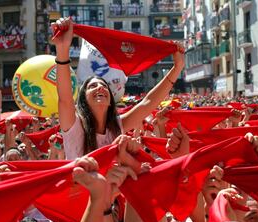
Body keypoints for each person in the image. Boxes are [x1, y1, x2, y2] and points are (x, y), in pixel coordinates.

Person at [52, 17, 184, 160]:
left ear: (110, 100)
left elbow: (148, 102)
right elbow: (65, 99)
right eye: (92, 86)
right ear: (83, 100)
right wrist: (62, 49)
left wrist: (177, 68)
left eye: (104, 86)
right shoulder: (74, 125)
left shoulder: (116, 126)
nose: (100, 88)